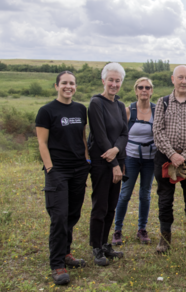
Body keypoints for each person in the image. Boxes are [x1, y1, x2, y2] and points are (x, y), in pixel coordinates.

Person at [36, 71, 91, 285]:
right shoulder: (46, 111)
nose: (69, 86)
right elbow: (42, 143)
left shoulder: (80, 109)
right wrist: (50, 168)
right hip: (58, 170)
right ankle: (57, 264)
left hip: (79, 169)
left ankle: (67, 253)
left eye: (72, 83)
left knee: (72, 214)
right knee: (58, 216)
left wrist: (86, 161)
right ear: (56, 86)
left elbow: (82, 137)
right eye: (64, 83)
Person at [153, 65, 186, 254]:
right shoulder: (163, 102)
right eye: (180, 77)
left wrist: (183, 156)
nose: (184, 81)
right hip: (165, 157)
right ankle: (164, 238)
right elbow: (157, 131)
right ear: (172, 79)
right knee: (165, 197)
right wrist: (172, 154)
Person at [88, 62, 128, 266]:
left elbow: (124, 133)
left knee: (112, 205)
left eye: (117, 80)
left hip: (117, 161)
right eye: (110, 80)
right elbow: (100, 135)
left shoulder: (120, 105)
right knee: (100, 204)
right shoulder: (96, 103)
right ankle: (96, 246)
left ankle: (105, 244)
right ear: (104, 81)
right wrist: (112, 158)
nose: (114, 84)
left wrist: (117, 151)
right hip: (101, 162)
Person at [112, 77, 157, 245]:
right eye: (140, 87)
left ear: (151, 91)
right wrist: (119, 160)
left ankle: (142, 229)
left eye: (147, 87)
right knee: (125, 194)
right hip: (130, 158)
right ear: (136, 90)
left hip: (150, 159)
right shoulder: (128, 110)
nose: (144, 90)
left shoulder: (157, 110)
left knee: (145, 195)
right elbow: (120, 136)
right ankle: (117, 230)